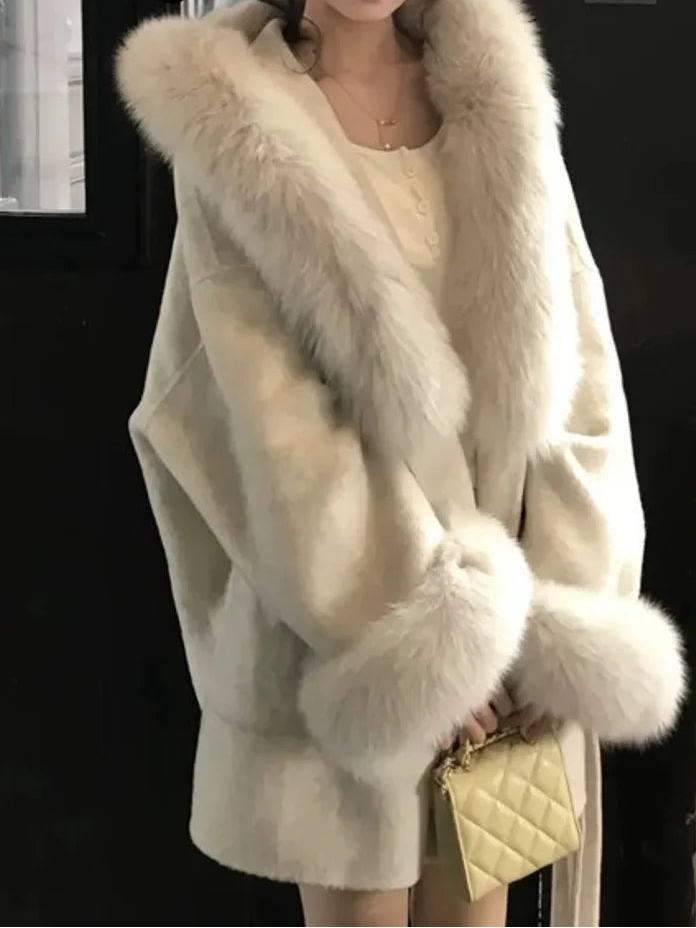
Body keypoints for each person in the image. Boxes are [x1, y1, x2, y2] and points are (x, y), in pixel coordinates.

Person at [116, 1, 685, 925]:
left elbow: (582, 371)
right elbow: (278, 434)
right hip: (352, 642)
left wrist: (556, 617)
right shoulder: (235, 126)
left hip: (512, 656)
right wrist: (432, 647)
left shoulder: (499, 96)